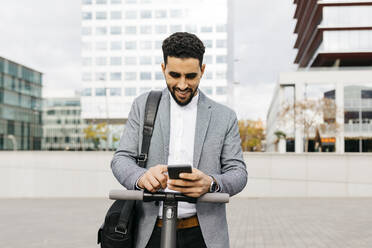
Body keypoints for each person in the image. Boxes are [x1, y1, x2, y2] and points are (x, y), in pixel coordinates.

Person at [111, 32, 248, 248]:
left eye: (191, 76)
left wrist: (211, 184)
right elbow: (121, 159)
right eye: (174, 75)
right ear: (163, 68)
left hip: (203, 235)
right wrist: (142, 178)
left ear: (202, 71)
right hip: (149, 231)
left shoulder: (225, 116)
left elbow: (238, 173)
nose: (183, 85)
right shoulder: (143, 105)